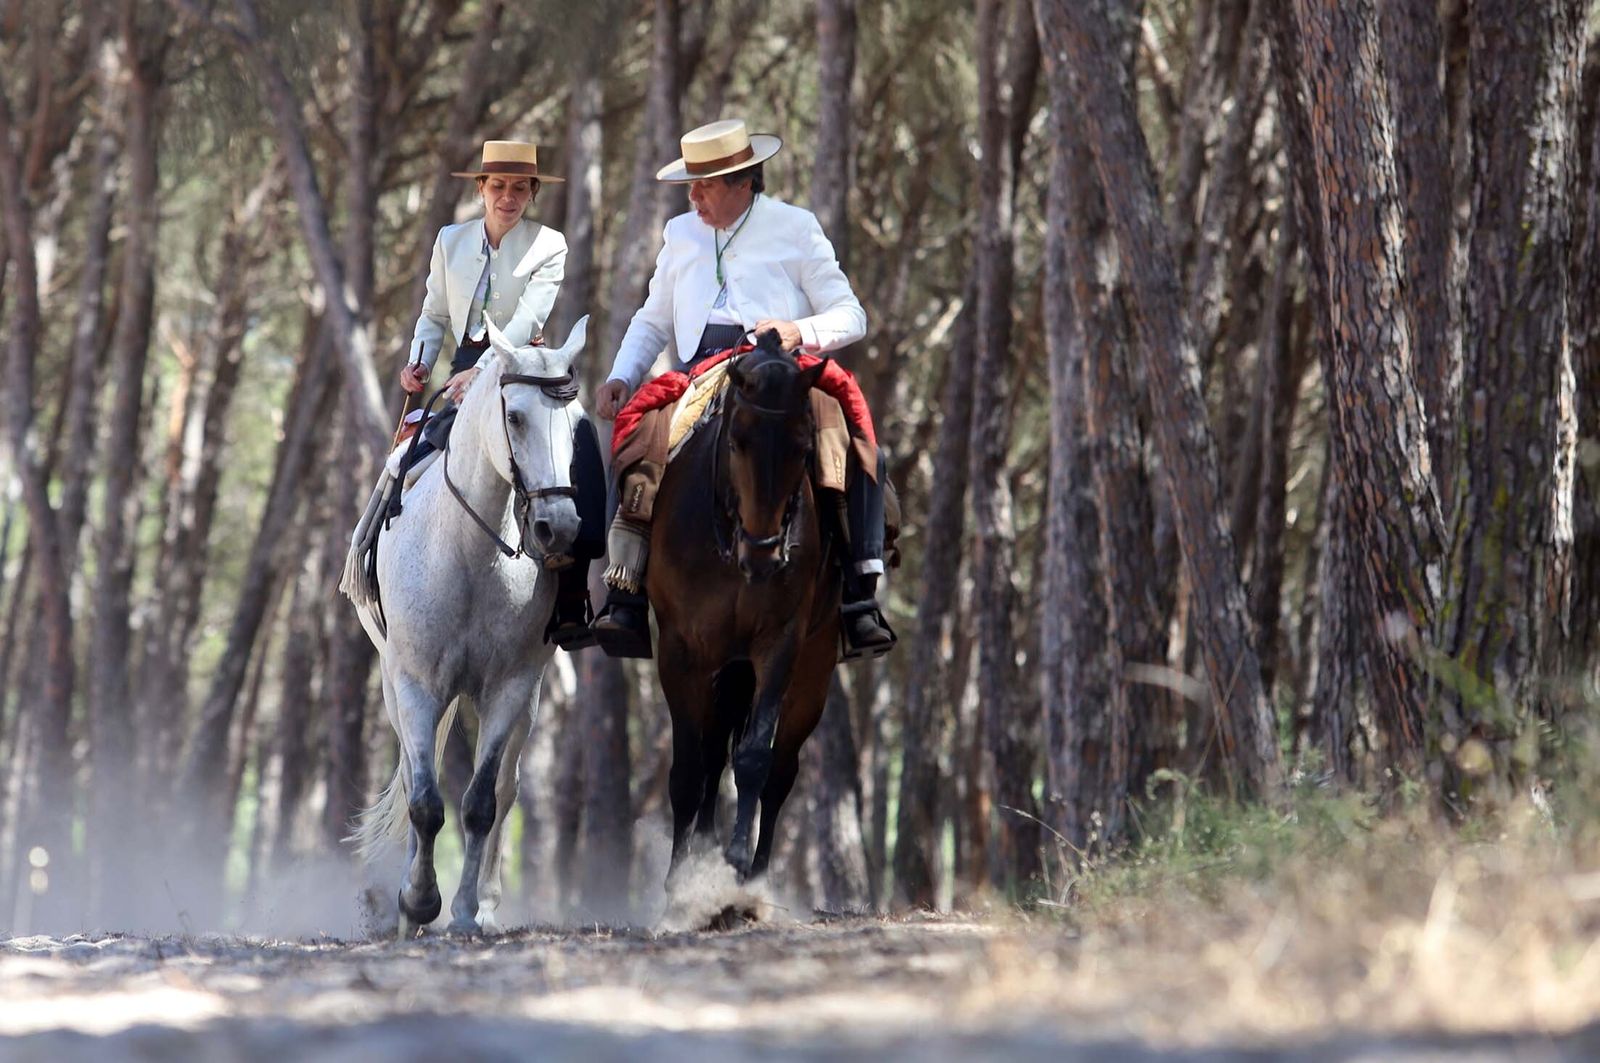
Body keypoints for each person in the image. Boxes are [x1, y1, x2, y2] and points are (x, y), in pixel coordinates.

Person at [590, 118, 895, 659]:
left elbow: (853, 315)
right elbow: (653, 318)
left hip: (778, 369)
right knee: (639, 440)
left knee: (841, 436)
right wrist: (622, 374)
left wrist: (802, 331)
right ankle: (625, 595)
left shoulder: (795, 227)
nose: (693, 196)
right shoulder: (681, 233)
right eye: (692, 184)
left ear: (743, 182)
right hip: (701, 371)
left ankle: (859, 593)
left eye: (704, 185)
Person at [401, 139, 602, 650]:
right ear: (481, 189)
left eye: (518, 187)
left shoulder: (549, 245)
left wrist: (485, 375)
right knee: (403, 460)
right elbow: (434, 314)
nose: (507, 197)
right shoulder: (450, 241)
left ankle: (573, 595)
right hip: (459, 371)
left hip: (524, 369)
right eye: (498, 186)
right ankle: (368, 563)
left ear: (532, 192)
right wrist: (420, 361)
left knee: (581, 445)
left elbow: (528, 319)